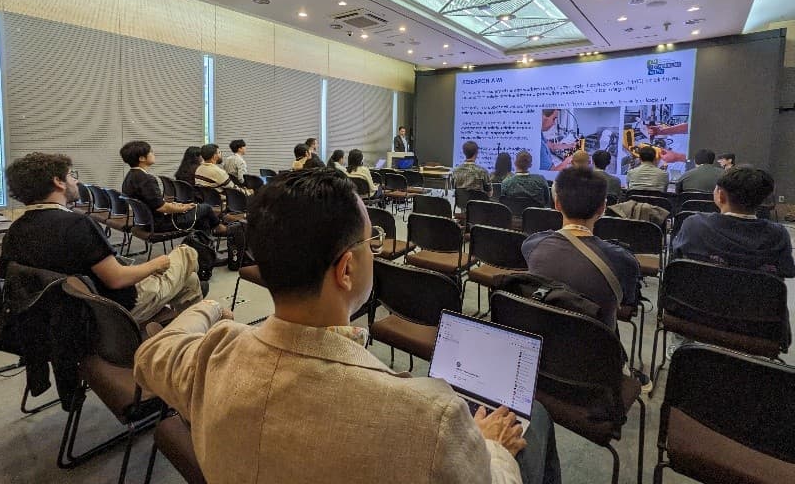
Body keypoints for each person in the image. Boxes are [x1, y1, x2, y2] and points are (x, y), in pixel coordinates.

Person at [134, 169, 561, 484]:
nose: (374, 250)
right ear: (346, 270)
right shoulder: (430, 416)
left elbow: (153, 351)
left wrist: (209, 307)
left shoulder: (211, 357)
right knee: (534, 421)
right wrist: (493, 447)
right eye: (370, 242)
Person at [1, 152, 203, 323]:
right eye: (71, 175)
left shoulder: (15, 230)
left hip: (66, 314)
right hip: (115, 309)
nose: (76, 181)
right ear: (58, 182)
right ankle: (190, 336)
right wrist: (156, 264)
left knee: (190, 281)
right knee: (187, 253)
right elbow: (117, 279)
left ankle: (181, 334)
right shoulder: (77, 224)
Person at [522, 167, 641, 331]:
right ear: (602, 208)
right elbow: (626, 302)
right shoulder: (623, 260)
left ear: (557, 204)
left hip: (545, 334)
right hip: (595, 342)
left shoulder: (532, 244)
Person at [672, 167, 794, 278]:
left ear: (721, 195)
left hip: (698, 294)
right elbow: (787, 270)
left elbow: (677, 260)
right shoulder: (778, 235)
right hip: (754, 296)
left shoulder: (694, 225)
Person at [121, 141, 222, 234]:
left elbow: (155, 203)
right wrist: (184, 208)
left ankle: (202, 241)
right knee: (205, 208)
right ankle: (219, 229)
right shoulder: (147, 179)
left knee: (201, 216)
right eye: (151, 152)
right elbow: (162, 207)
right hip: (159, 224)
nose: (153, 154)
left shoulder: (130, 176)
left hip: (145, 223)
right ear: (142, 158)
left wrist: (178, 205)